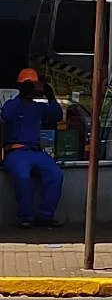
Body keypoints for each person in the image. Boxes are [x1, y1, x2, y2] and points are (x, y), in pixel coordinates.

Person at [1, 69, 65, 231]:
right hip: (16, 152)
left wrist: (51, 97)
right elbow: (5, 115)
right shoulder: (12, 104)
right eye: (29, 86)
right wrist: (20, 96)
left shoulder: (39, 107)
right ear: (21, 87)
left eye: (34, 85)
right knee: (23, 178)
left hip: (36, 151)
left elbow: (57, 116)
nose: (32, 89)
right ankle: (26, 217)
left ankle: (45, 215)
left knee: (56, 175)